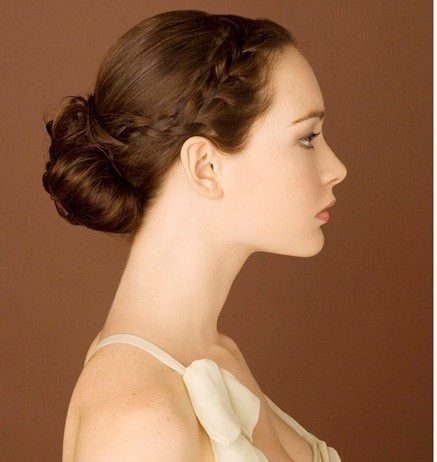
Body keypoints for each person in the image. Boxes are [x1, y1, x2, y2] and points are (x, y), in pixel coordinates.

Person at [43, 9, 347, 462]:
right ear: (206, 166)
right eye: (307, 138)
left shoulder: (214, 356)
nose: (337, 169)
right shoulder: (139, 420)